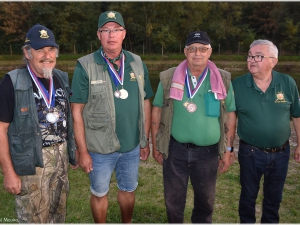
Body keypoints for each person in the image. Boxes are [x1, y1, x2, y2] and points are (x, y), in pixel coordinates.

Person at [70, 11, 153, 223]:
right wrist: (82, 151)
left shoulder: (136, 62)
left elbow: (145, 101)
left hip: (131, 146)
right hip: (99, 148)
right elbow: (76, 111)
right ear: (98, 34)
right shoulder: (85, 66)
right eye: (106, 30)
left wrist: (144, 139)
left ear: (124, 33)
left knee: (128, 189)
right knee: (99, 192)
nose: (111, 35)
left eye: (116, 29)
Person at [151, 31, 236, 223]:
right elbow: (156, 110)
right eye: (193, 49)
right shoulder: (168, 77)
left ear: (210, 51)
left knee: (206, 202)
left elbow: (230, 114)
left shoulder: (223, 79)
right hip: (175, 150)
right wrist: (156, 143)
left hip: (208, 153)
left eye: (203, 49)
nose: (197, 53)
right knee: (173, 201)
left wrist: (228, 150)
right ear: (185, 51)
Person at [0, 24, 76, 223]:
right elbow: (1, 129)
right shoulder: (12, 82)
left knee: (57, 214)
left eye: (51, 49)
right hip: (31, 162)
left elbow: (69, 118)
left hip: (60, 159)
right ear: (27, 53)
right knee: (32, 217)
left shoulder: (61, 77)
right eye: (40, 50)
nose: (47, 55)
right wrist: (8, 173)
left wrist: (72, 152)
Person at [232, 39, 300, 223]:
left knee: (274, 198)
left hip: (281, 153)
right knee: (248, 197)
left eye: (258, 56)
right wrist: (228, 148)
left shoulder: (287, 82)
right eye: (249, 56)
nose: (252, 60)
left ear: (273, 61)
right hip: (249, 153)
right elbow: (230, 118)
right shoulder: (237, 85)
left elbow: (296, 115)